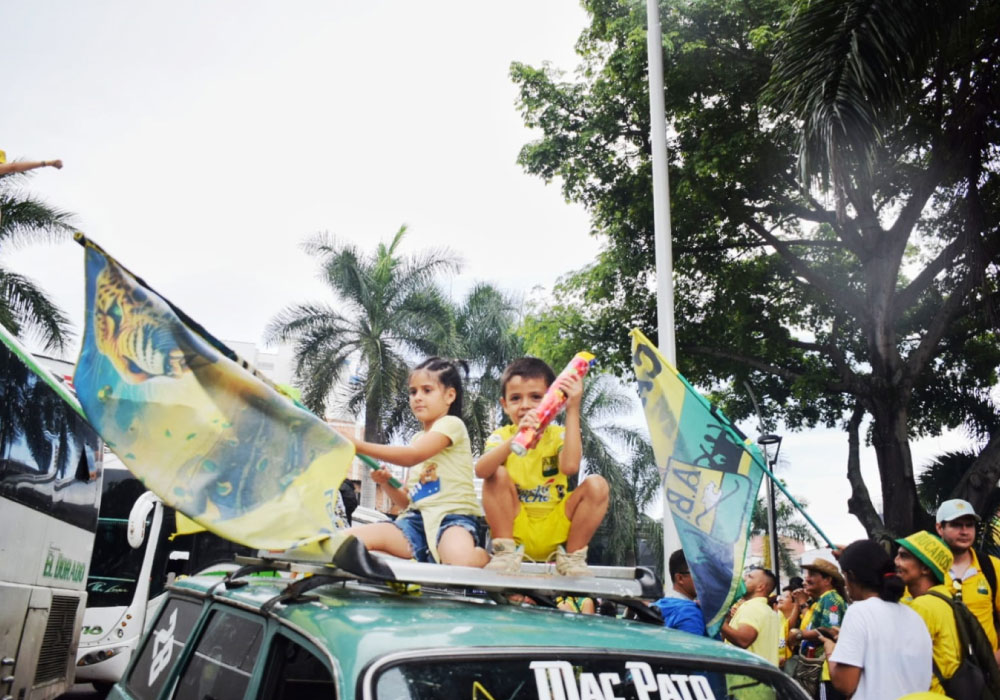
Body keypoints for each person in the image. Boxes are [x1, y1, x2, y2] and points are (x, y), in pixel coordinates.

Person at [346, 358, 488, 566]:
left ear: (450, 395)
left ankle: (487, 559)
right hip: (415, 522)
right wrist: (386, 482)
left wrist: (357, 445)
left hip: (452, 519)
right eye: (413, 392)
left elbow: (412, 455)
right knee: (349, 539)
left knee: (460, 561)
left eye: (427, 390)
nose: (418, 398)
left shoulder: (452, 424)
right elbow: (407, 502)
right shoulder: (416, 439)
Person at [476, 357, 609, 576]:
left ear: (552, 399)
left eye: (536, 397)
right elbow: (481, 471)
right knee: (496, 473)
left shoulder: (557, 435)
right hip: (515, 528)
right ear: (504, 404)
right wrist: (515, 440)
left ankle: (572, 558)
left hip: (556, 526)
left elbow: (570, 467)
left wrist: (573, 407)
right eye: (516, 398)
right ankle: (504, 554)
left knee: (597, 485)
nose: (526, 405)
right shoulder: (501, 436)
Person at [821, 539, 932, 700]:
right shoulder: (915, 617)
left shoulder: (859, 612)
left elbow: (845, 684)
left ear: (851, 576)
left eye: (844, 576)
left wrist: (830, 649)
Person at [894, 530, 963, 695]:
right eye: (897, 555)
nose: (896, 562)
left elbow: (901, 661)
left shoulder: (924, 606)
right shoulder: (945, 597)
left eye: (904, 556)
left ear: (925, 568)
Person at [935, 499, 1000, 656]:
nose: (964, 531)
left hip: (988, 673)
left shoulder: (992, 567)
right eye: (956, 525)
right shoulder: (926, 569)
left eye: (969, 525)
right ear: (939, 528)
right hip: (941, 674)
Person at [789, 557, 848, 699]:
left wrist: (799, 634)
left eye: (812, 575)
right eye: (806, 574)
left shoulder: (831, 599)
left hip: (826, 670)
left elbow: (829, 631)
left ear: (827, 580)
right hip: (820, 670)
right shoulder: (823, 599)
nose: (806, 579)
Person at [721, 567, 781, 699]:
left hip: (747, 689)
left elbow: (744, 640)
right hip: (759, 687)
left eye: (750, 577)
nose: (744, 578)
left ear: (761, 587)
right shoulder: (765, 609)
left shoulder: (754, 608)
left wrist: (716, 620)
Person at [650, 549, 706, 635]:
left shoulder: (656, 606)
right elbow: (694, 648)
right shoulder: (690, 614)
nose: (704, 579)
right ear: (680, 578)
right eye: (697, 573)